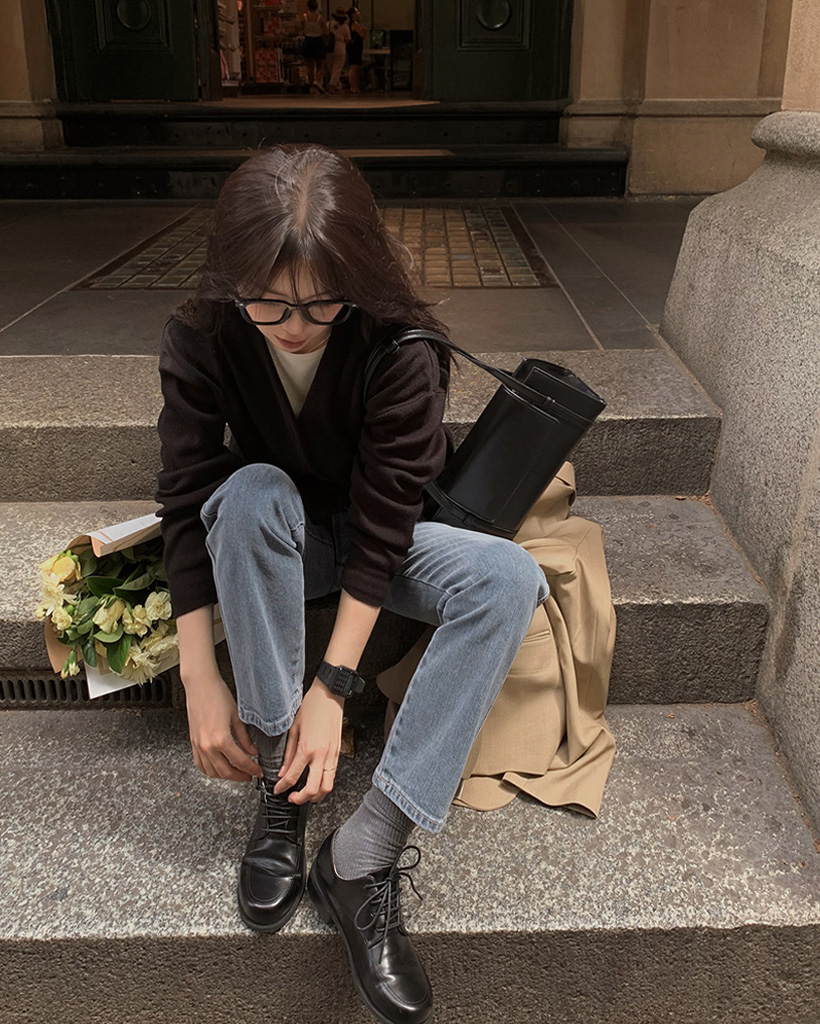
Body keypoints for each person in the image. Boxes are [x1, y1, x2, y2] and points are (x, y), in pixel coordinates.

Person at [155, 143, 549, 1024]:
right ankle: (281, 784)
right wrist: (199, 674)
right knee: (247, 495)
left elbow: (383, 529)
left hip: (388, 543)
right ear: (231, 278)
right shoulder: (205, 334)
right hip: (280, 534)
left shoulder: (398, 345)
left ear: (358, 277)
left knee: (507, 578)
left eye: (322, 301)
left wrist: (333, 685)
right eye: (266, 300)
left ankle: (362, 856)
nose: (293, 325)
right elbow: (185, 500)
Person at [300, 0, 326, 93]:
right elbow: (325, 32)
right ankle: (317, 81)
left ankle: (311, 85)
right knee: (320, 64)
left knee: (310, 66)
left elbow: (302, 29)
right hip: (318, 41)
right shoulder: (320, 18)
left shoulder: (304, 18)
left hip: (307, 41)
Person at [325, 7, 350, 93]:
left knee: (330, 67)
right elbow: (348, 39)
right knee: (337, 67)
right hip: (340, 47)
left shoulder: (328, 24)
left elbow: (324, 33)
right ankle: (333, 84)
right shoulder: (345, 27)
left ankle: (337, 85)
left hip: (329, 47)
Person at [346, 7, 367, 94]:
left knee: (356, 67)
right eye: (357, 12)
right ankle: (353, 86)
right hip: (355, 48)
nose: (358, 13)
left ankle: (355, 86)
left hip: (355, 47)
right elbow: (362, 35)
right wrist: (364, 32)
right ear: (353, 14)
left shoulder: (352, 24)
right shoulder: (355, 24)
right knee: (354, 67)